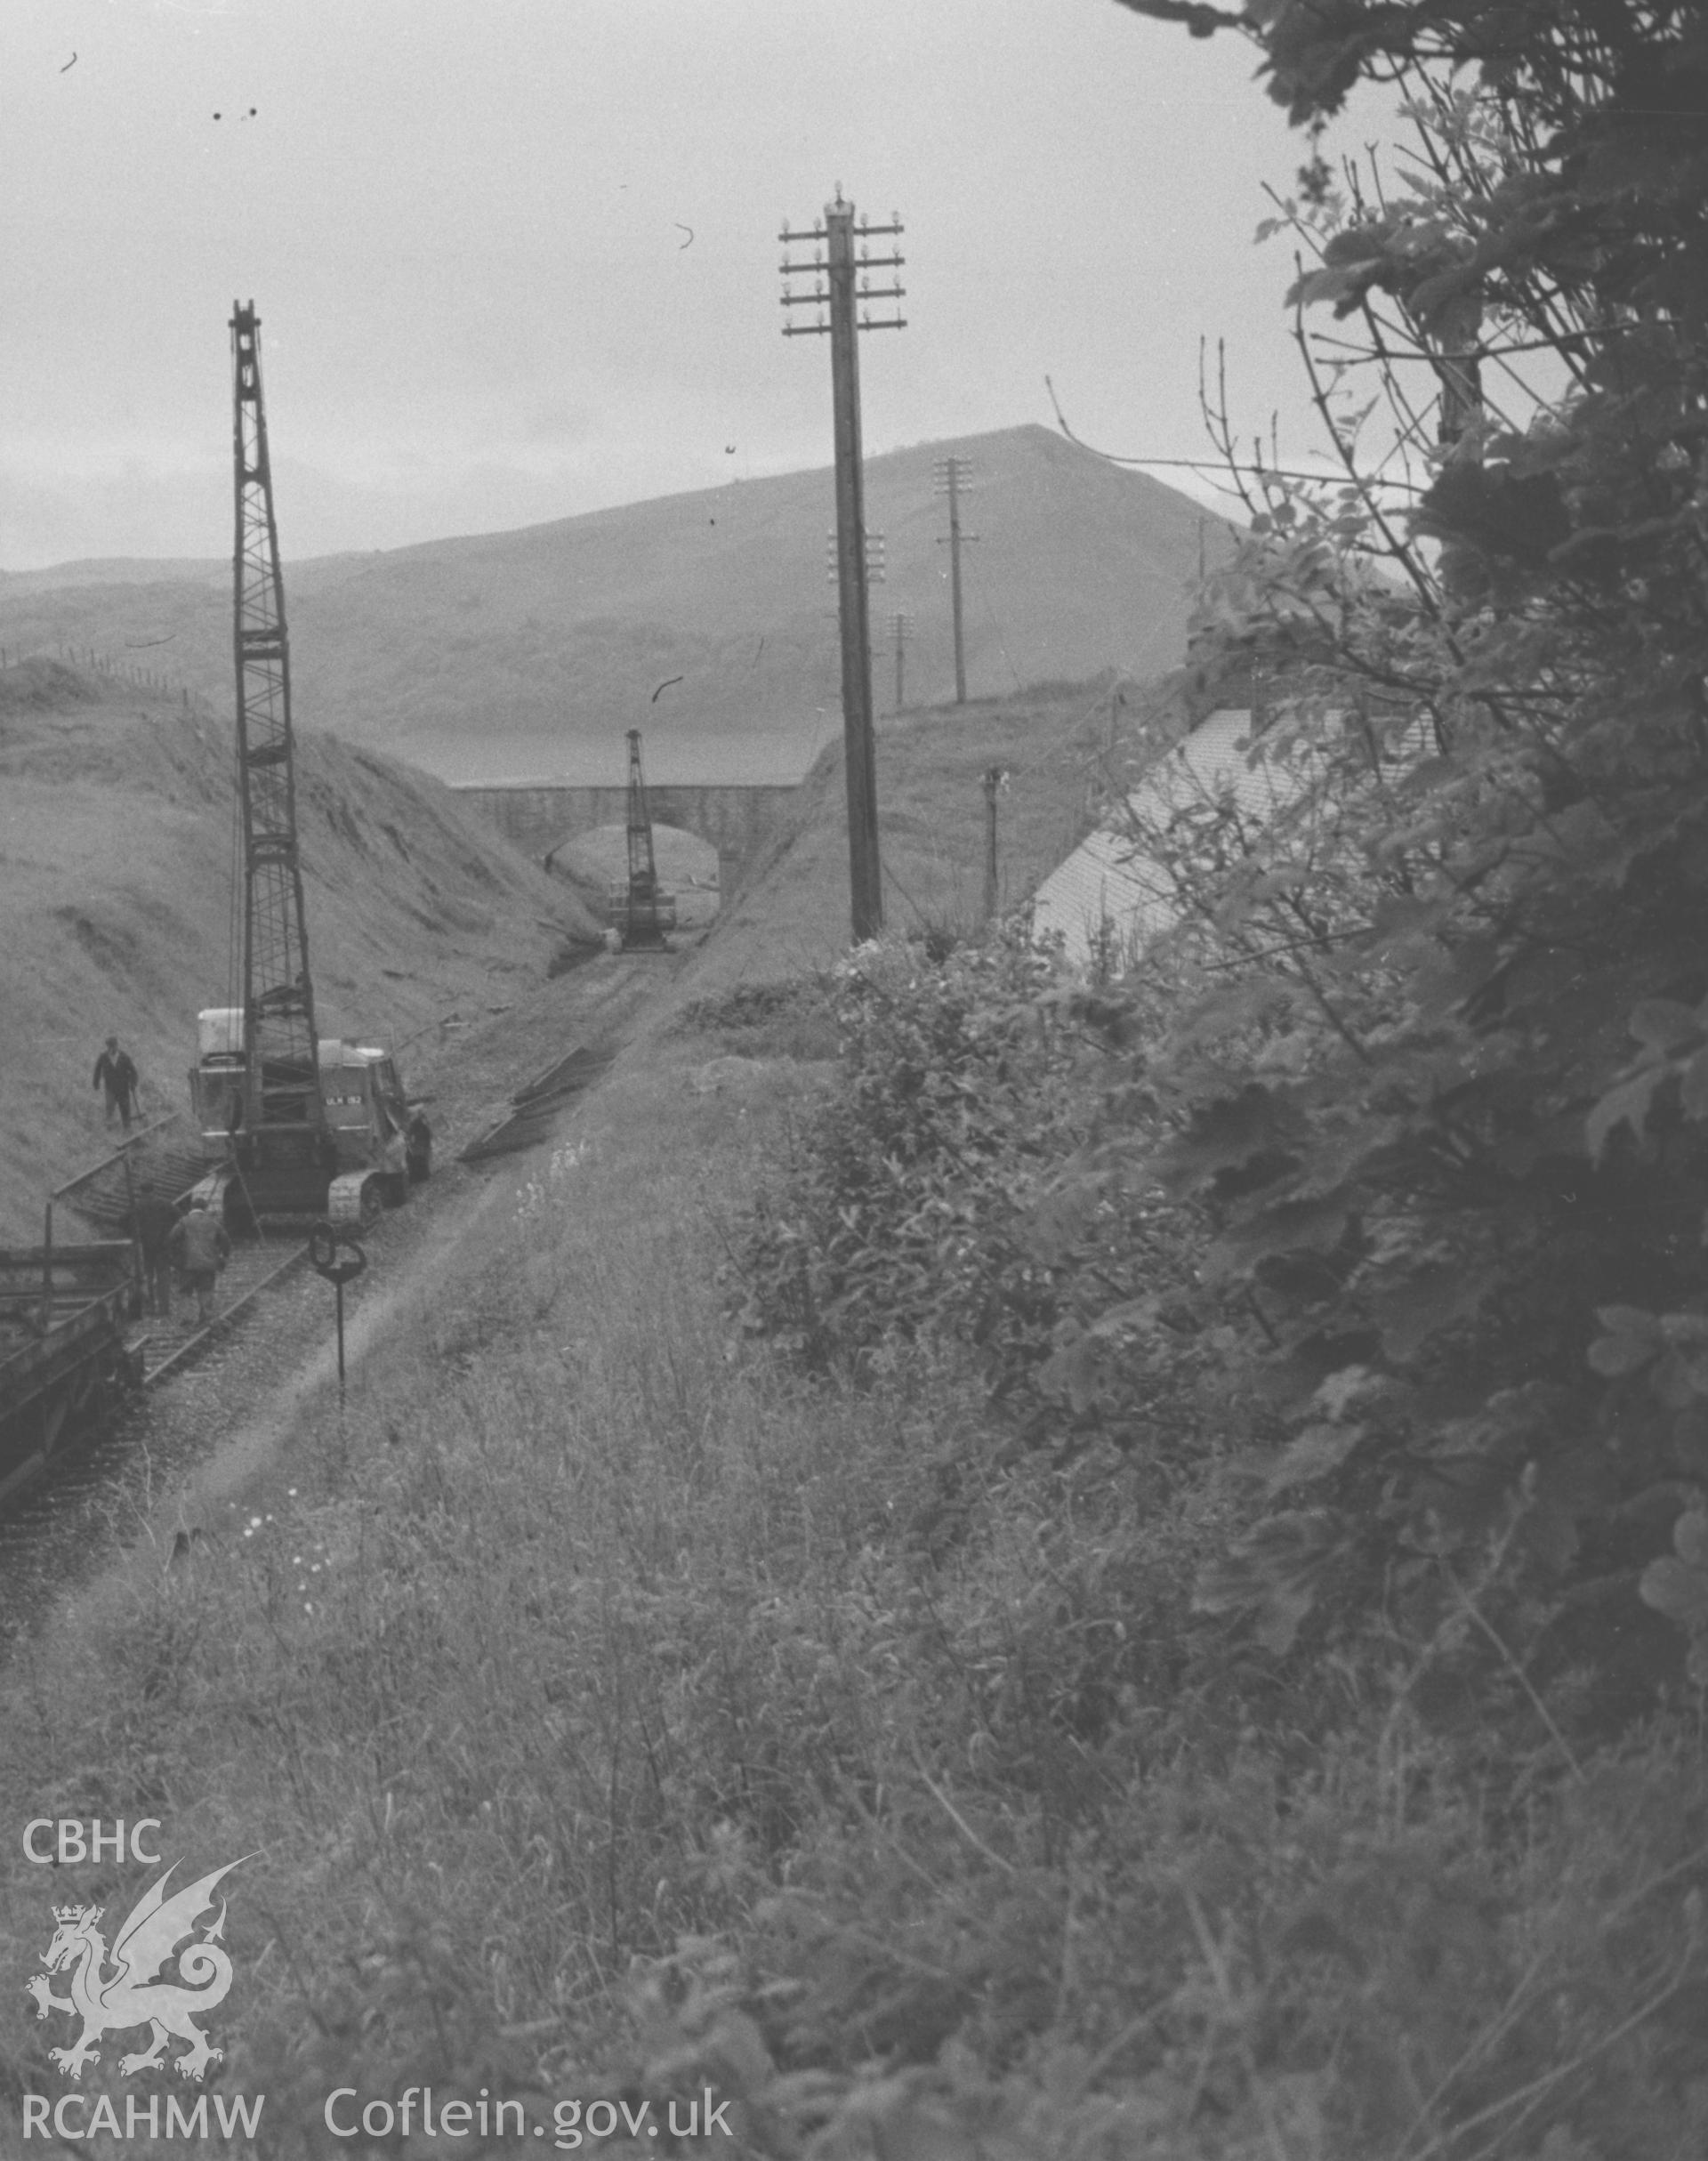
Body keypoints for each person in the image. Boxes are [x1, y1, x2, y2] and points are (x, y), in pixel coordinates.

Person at [166, 1197, 230, 1327]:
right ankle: (205, 1317)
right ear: (205, 1208)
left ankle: (186, 1318)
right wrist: (224, 1255)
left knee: (185, 1291)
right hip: (208, 1264)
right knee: (206, 1290)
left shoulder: (184, 1222)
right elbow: (225, 1240)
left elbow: (171, 1238)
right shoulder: (213, 1222)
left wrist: (175, 1256)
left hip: (187, 1264)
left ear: (191, 1207)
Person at [131, 1181, 179, 1319]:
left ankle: (151, 1307)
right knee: (163, 1277)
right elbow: (179, 1216)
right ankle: (164, 1308)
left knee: (149, 1278)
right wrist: (169, 1233)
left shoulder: (138, 1206)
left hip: (147, 1247)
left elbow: (123, 1220)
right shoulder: (165, 1204)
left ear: (141, 1192)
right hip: (163, 1246)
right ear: (154, 1190)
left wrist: (136, 1234)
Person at [93, 1036, 140, 1131]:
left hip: (123, 1088)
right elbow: (97, 1070)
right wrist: (96, 1083)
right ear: (107, 1047)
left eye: (113, 1046)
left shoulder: (124, 1057)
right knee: (110, 1107)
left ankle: (127, 1129)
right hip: (110, 1088)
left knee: (125, 1108)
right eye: (109, 1047)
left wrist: (133, 1083)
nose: (111, 1049)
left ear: (117, 1046)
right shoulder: (103, 1057)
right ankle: (109, 1129)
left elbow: (133, 1071)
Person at [406, 1108, 432, 1184]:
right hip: (418, 1151)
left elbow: (428, 1136)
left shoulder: (420, 1126)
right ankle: (422, 1176)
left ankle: (423, 1175)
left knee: (421, 1160)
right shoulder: (415, 1126)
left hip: (420, 1150)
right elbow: (410, 1140)